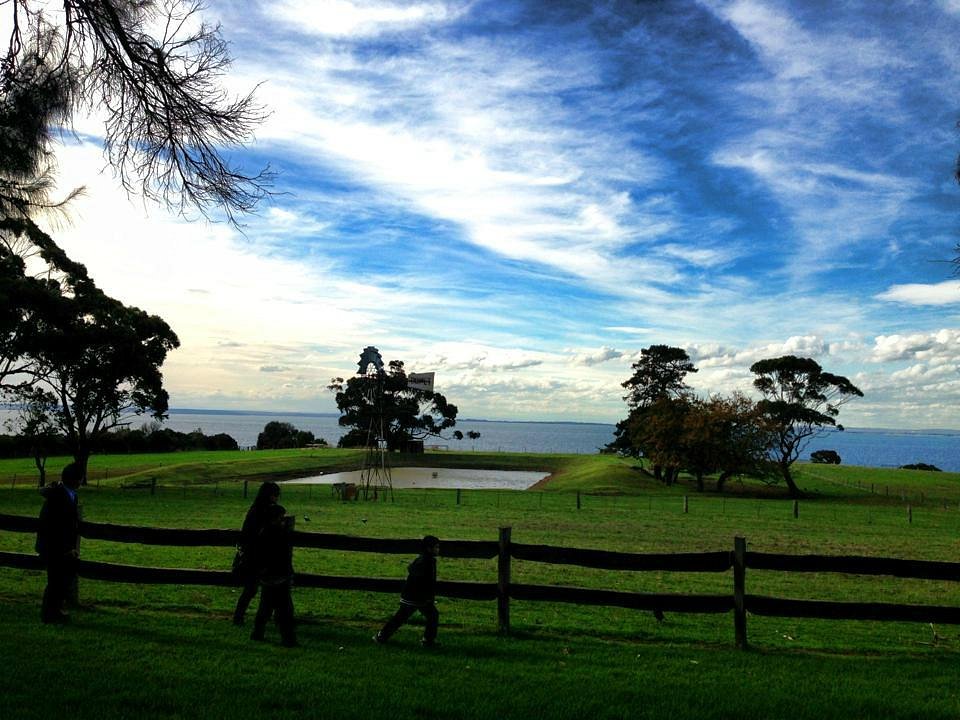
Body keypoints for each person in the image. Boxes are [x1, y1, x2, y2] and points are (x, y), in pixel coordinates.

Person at [36, 462, 82, 624]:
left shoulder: (68, 494)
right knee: (55, 582)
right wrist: (66, 549)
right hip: (54, 547)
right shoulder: (59, 497)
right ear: (76, 479)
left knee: (60, 581)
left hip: (57, 546)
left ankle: (54, 611)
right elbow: (56, 526)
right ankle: (50, 614)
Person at [374, 535, 440, 647]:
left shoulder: (422, 560)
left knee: (401, 617)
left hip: (412, 596)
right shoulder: (427, 562)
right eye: (436, 547)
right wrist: (427, 597)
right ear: (429, 548)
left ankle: (382, 636)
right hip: (417, 597)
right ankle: (428, 641)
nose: (438, 549)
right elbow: (424, 581)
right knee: (430, 615)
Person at [250, 504, 297, 647]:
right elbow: (283, 556)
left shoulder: (263, 532)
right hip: (279, 576)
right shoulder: (279, 534)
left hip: (267, 576)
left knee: (265, 607)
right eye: (281, 518)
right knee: (285, 610)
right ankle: (288, 639)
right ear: (275, 518)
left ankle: (257, 633)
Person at [233, 481, 280, 625]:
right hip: (259, 555)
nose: (277, 498)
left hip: (254, 554)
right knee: (262, 588)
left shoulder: (255, 509)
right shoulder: (265, 510)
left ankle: (240, 616)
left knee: (252, 588)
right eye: (275, 495)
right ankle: (259, 618)